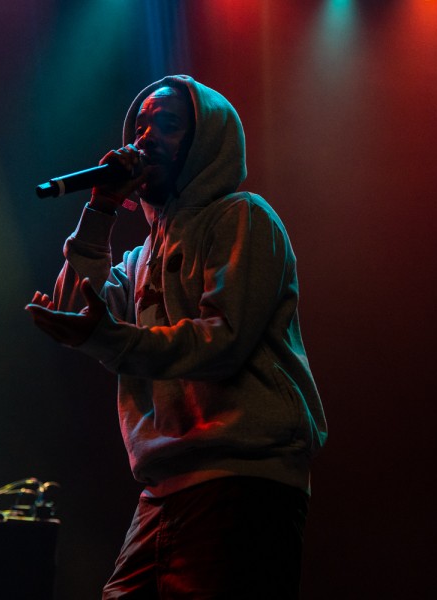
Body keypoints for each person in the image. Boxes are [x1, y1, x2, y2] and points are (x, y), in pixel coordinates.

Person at [26, 74, 328, 598]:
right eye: (140, 126)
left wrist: (110, 340)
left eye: (167, 125)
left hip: (242, 481)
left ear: (206, 141)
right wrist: (98, 208)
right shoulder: (141, 257)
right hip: (164, 490)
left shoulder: (243, 218)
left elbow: (222, 340)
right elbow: (81, 310)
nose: (145, 138)